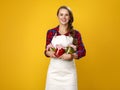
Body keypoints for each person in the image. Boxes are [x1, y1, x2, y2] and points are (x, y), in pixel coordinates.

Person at [44, 5, 86, 90]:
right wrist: (49, 53)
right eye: (61, 14)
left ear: (70, 17)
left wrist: (72, 56)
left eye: (66, 15)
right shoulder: (51, 32)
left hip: (69, 75)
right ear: (58, 16)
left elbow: (83, 51)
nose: (64, 17)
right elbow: (46, 50)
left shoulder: (75, 34)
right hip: (53, 74)